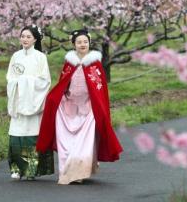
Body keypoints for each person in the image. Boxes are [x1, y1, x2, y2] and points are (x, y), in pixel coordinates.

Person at [36, 29, 123, 185]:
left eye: (85, 41)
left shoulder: (95, 64)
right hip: (69, 107)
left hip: (88, 109)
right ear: (73, 44)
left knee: (83, 143)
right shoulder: (69, 63)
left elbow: (99, 90)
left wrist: (97, 107)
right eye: (79, 42)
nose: (82, 44)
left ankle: (79, 172)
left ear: (89, 43)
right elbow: (63, 84)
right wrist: (57, 99)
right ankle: (66, 171)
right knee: (67, 143)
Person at [7, 25, 54, 180]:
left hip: (34, 101)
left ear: (35, 39)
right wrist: (18, 84)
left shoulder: (40, 57)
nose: (25, 39)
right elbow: (10, 78)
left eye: (28, 37)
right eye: (23, 36)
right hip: (18, 99)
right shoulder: (16, 56)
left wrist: (25, 82)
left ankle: (31, 170)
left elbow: (44, 81)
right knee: (16, 134)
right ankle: (16, 168)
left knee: (31, 136)